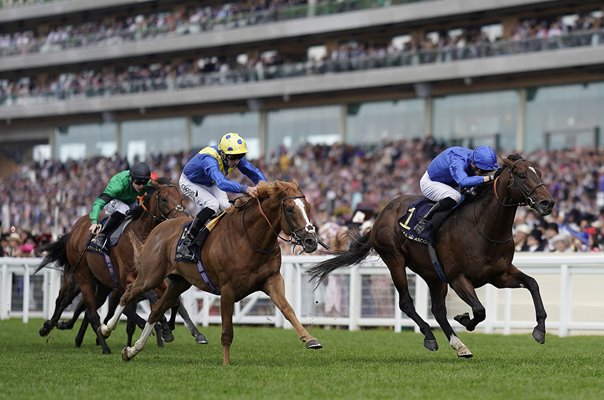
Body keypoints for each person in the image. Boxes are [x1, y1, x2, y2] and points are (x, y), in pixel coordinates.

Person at [176, 132, 267, 260]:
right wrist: (245, 189)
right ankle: (185, 244)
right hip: (190, 182)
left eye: (240, 156)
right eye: (233, 157)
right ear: (223, 153)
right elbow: (221, 183)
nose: (236, 161)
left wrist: (266, 187)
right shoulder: (209, 159)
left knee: (227, 207)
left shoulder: (233, 157)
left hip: (210, 182)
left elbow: (253, 172)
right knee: (213, 204)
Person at [415, 145, 499, 234]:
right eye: (482, 171)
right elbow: (463, 181)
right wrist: (489, 178)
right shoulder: (458, 161)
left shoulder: (477, 158)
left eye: (487, 171)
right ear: (473, 164)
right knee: (455, 196)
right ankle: (424, 220)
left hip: (451, 182)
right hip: (431, 182)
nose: (484, 173)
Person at [88, 162, 153, 251]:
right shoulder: (118, 185)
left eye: (144, 182)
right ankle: (101, 236)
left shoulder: (146, 182)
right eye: (138, 182)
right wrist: (94, 221)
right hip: (112, 200)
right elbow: (99, 202)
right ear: (131, 178)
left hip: (130, 200)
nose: (141, 186)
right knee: (124, 209)